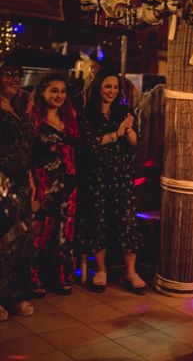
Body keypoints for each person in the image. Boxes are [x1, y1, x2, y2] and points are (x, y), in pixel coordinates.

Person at [76, 71, 144, 294]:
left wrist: (128, 129)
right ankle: (101, 271)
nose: (112, 91)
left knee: (126, 222)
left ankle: (130, 272)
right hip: (97, 175)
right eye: (107, 86)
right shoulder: (87, 114)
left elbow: (135, 143)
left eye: (115, 87)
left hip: (121, 175)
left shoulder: (123, 111)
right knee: (99, 220)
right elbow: (92, 145)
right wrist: (116, 133)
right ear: (98, 88)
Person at [29, 75, 78, 297]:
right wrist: (31, 186)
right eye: (54, 91)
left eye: (63, 91)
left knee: (64, 234)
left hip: (69, 185)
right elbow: (27, 157)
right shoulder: (32, 120)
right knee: (39, 233)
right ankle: (34, 278)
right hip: (43, 185)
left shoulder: (71, 118)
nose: (59, 95)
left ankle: (61, 276)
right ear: (42, 92)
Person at [0, 60, 35, 320]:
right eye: (8, 74)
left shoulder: (18, 110)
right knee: (3, 242)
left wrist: (31, 180)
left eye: (18, 74)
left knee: (20, 241)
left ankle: (15, 296)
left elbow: (26, 150)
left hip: (22, 183)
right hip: (2, 185)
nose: (15, 79)